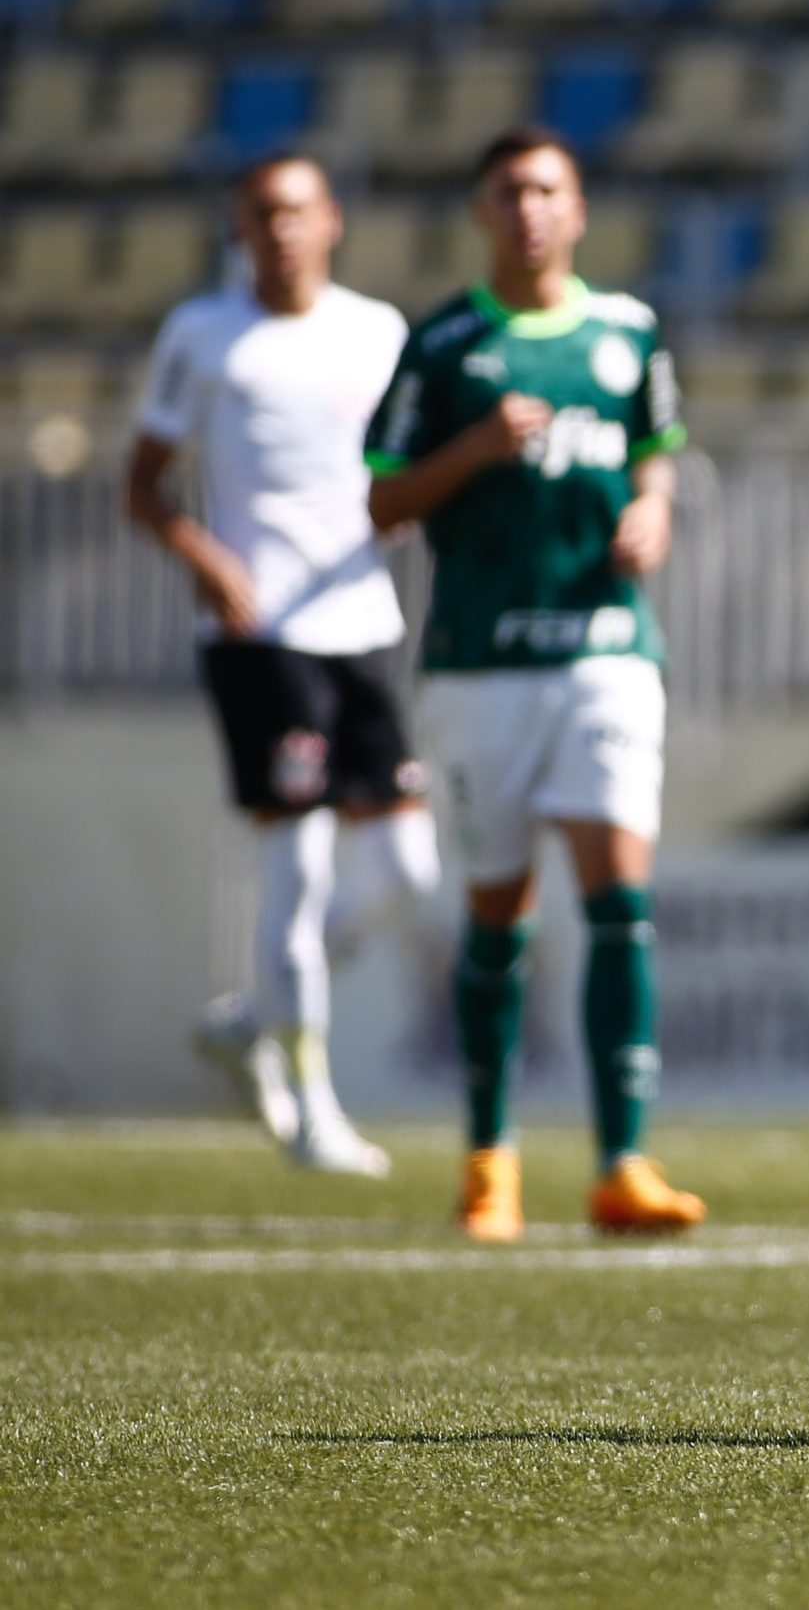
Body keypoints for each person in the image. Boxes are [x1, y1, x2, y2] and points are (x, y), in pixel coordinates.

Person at [364, 125, 703, 1242]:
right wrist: (469, 451)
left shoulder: (627, 332)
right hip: (479, 663)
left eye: (548, 189)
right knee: (497, 910)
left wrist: (652, 506)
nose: (529, 210)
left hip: (605, 650)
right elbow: (381, 501)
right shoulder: (446, 344)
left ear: (581, 208)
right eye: (508, 190)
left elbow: (652, 448)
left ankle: (622, 1162)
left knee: (619, 896)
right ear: (481, 211)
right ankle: (488, 1157)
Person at [126, 151, 445, 1178]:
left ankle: (249, 1017)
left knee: (406, 869)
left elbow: (395, 467)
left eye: (297, 211)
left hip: (361, 620)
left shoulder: (377, 331)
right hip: (262, 637)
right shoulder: (205, 337)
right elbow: (144, 485)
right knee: (297, 868)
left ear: (333, 220)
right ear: (238, 228)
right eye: (261, 214)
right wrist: (207, 560)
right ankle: (310, 1109)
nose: (280, 230)